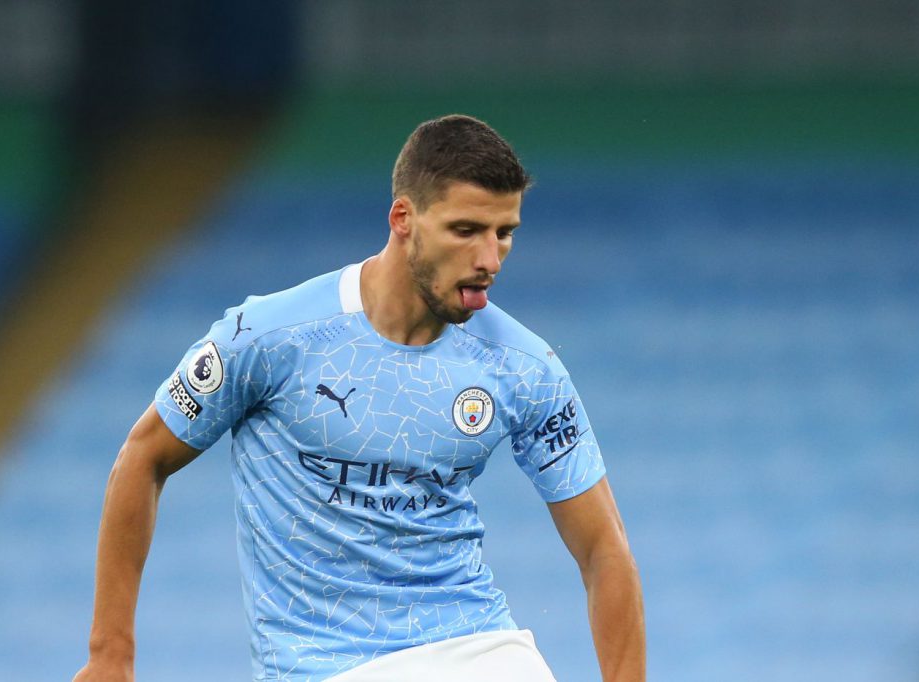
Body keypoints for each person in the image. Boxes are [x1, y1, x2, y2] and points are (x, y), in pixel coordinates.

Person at [73, 114, 645, 681]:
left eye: (505, 234)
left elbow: (604, 549)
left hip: (480, 649)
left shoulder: (523, 366)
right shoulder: (267, 337)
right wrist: (110, 654)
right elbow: (142, 458)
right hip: (325, 664)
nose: (489, 260)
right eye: (466, 230)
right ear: (403, 218)